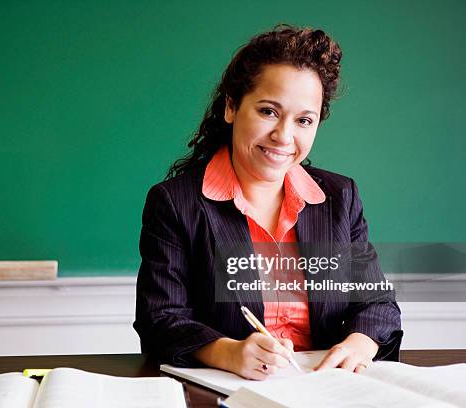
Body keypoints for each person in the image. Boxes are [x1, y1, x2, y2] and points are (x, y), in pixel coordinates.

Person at [133, 25, 402, 381]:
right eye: (268, 112)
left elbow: (378, 304)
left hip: (326, 390)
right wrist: (228, 352)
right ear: (231, 106)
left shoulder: (339, 198)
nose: (284, 136)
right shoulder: (175, 203)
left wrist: (359, 343)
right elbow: (161, 318)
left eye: (303, 120)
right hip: (228, 392)